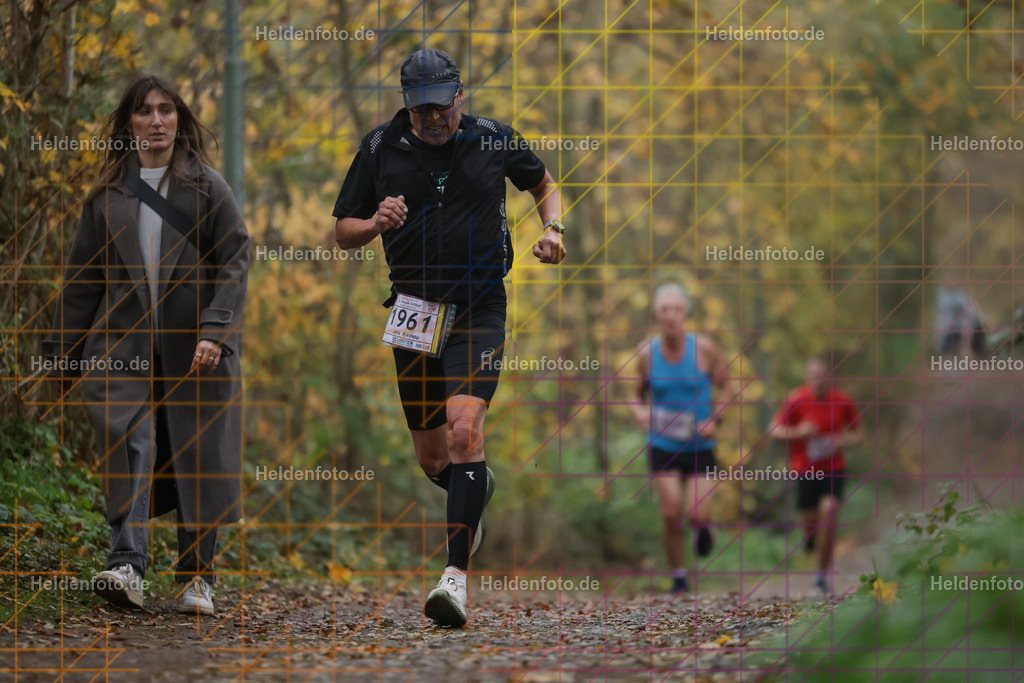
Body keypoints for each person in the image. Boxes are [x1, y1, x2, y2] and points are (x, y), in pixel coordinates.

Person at [332, 48, 565, 627]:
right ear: (405, 105)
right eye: (419, 111)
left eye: (440, 107)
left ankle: (454, 581)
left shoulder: (493, 139)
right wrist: (374, 223)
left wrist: (554, 230)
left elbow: (545, 186)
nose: (431, 119)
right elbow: (342, 230)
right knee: (434, 456)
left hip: (480, 305)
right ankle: (472, 486)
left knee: (465, 428)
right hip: (413, 309)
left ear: (460, 95)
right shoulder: (378, 148)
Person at [42, 75, 249, 615]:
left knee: (197, 453)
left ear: (179, 119)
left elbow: (235, 259)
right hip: (122, 347)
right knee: (129, 442)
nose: (156, 120)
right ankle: (126, 563)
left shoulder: (208, 187)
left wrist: (216, 331)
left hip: (196, 351)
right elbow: (82, 281)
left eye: (165, 110)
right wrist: (60, 354)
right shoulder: (107, 195)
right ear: (128, 122)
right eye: (143, 111)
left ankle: (195, 577)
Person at [629, 284, 737, 594]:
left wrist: (716, 419)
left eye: (676, 310)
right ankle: (678, 575)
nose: (671, 316)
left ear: (685, 313)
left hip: (700, 445)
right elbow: (634, 395)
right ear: (657, 314)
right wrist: (638, 412)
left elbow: (728, 388)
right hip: (662, 444)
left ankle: (704, 528)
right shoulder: (646, 353)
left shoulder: (703, 348)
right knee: (670, 512)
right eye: (665, 310)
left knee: (697, 513)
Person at [768, 357, 862, 593]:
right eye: (813, 375)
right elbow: (774, 430)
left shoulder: (842, 400)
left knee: (829, 512)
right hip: (805, 469)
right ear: (807, 377)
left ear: (829, 377)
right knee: (809, 521)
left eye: (822, 375)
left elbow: (859, 434)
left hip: (833, 468)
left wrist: (844, 440)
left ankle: (820, 576)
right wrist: (799, 431)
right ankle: (811, 540)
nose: (817, 380)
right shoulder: (796, 400)